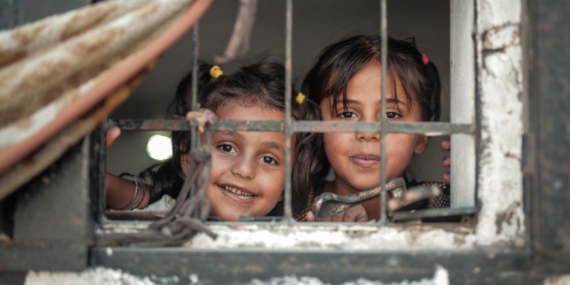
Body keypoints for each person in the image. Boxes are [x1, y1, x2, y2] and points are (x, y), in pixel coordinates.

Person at [105, 61, 330, 221]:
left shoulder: (294, 240)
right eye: (226, 147)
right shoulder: (150, 218)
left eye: (269, 159)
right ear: (187, 157)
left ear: (285, 186)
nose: (244, 170)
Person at [301, 35, 450, 221]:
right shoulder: (289, 206)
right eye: (347, 114)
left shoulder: (443, 205)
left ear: (421, 136)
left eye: (391, 115)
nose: (368, 133)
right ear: (316, 125)